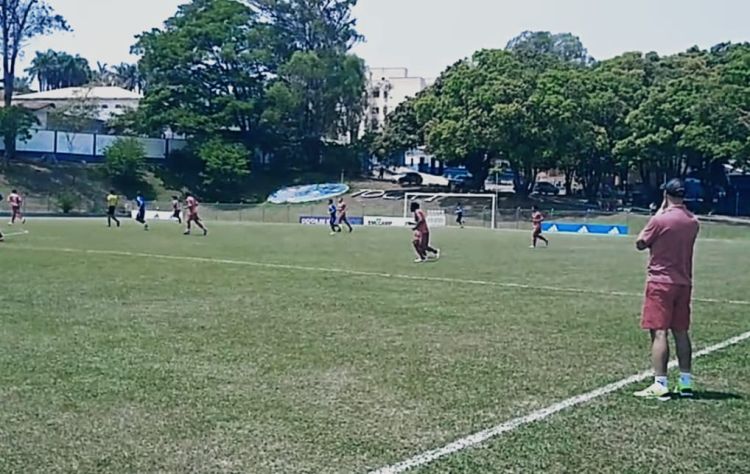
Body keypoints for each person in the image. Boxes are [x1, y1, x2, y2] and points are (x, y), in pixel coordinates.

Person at [634, 178, 700, 400]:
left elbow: (640, 242)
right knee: (681, 331)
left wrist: (658, 213)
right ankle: (686, 382)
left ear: (665, 194)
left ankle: (660, 383)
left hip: (661, 281)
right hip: (684, 282)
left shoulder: (660, 219)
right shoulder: (693, 221)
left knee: (659, 331)